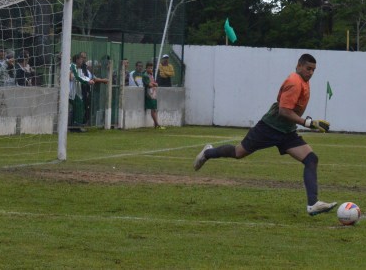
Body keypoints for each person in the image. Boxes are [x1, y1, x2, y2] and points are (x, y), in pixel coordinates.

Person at [193, 53, 337, 217]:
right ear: (298, 66)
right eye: (308, 68)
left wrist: (309, 123)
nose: (311, 72)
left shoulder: (303, 82)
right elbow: (283, 111)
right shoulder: (295, 82)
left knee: (311, 159)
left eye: (313, 70)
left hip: (286, 131)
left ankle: (313, 204)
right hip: (270, 127)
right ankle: (207, 153)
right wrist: (309, 123)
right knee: (238, 152)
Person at [78, 52, 109, 127]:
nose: (84, 59)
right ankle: (77, 123)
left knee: (87, 107)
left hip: (87, 90)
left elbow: (92, 77)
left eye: (85, 57)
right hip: (80, 90)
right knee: (80, 106)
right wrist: (102, 80)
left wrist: (102, 80)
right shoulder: (78, 67)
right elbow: (86, 78)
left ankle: (83, 123)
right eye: (82, 57)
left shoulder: (85, 67)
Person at [143, 61, 163, 129]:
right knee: (153, 109)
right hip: (149, 94)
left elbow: (153, 84)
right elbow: (149, 85)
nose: (150, 69)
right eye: (149, 68)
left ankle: (155, 124)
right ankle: (157, 124)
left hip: (153, 93)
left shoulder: (151, 75)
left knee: (155, 109)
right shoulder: (145, 75)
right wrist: (154, 84)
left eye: (151, 68)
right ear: (146, 68)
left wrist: (154, 84)